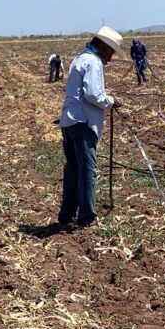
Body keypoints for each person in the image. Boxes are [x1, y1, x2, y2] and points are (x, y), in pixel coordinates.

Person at [57, 26, 123, 227]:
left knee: (73, 170)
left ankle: (67, 216)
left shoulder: (79, 59)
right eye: (111, 52)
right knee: (87, 171)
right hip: (83, 123)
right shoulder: (94, 62)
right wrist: (111, 101)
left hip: (69, 121)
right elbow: (93, 94)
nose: (111, 57)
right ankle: (87, 217)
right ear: (103, 47)